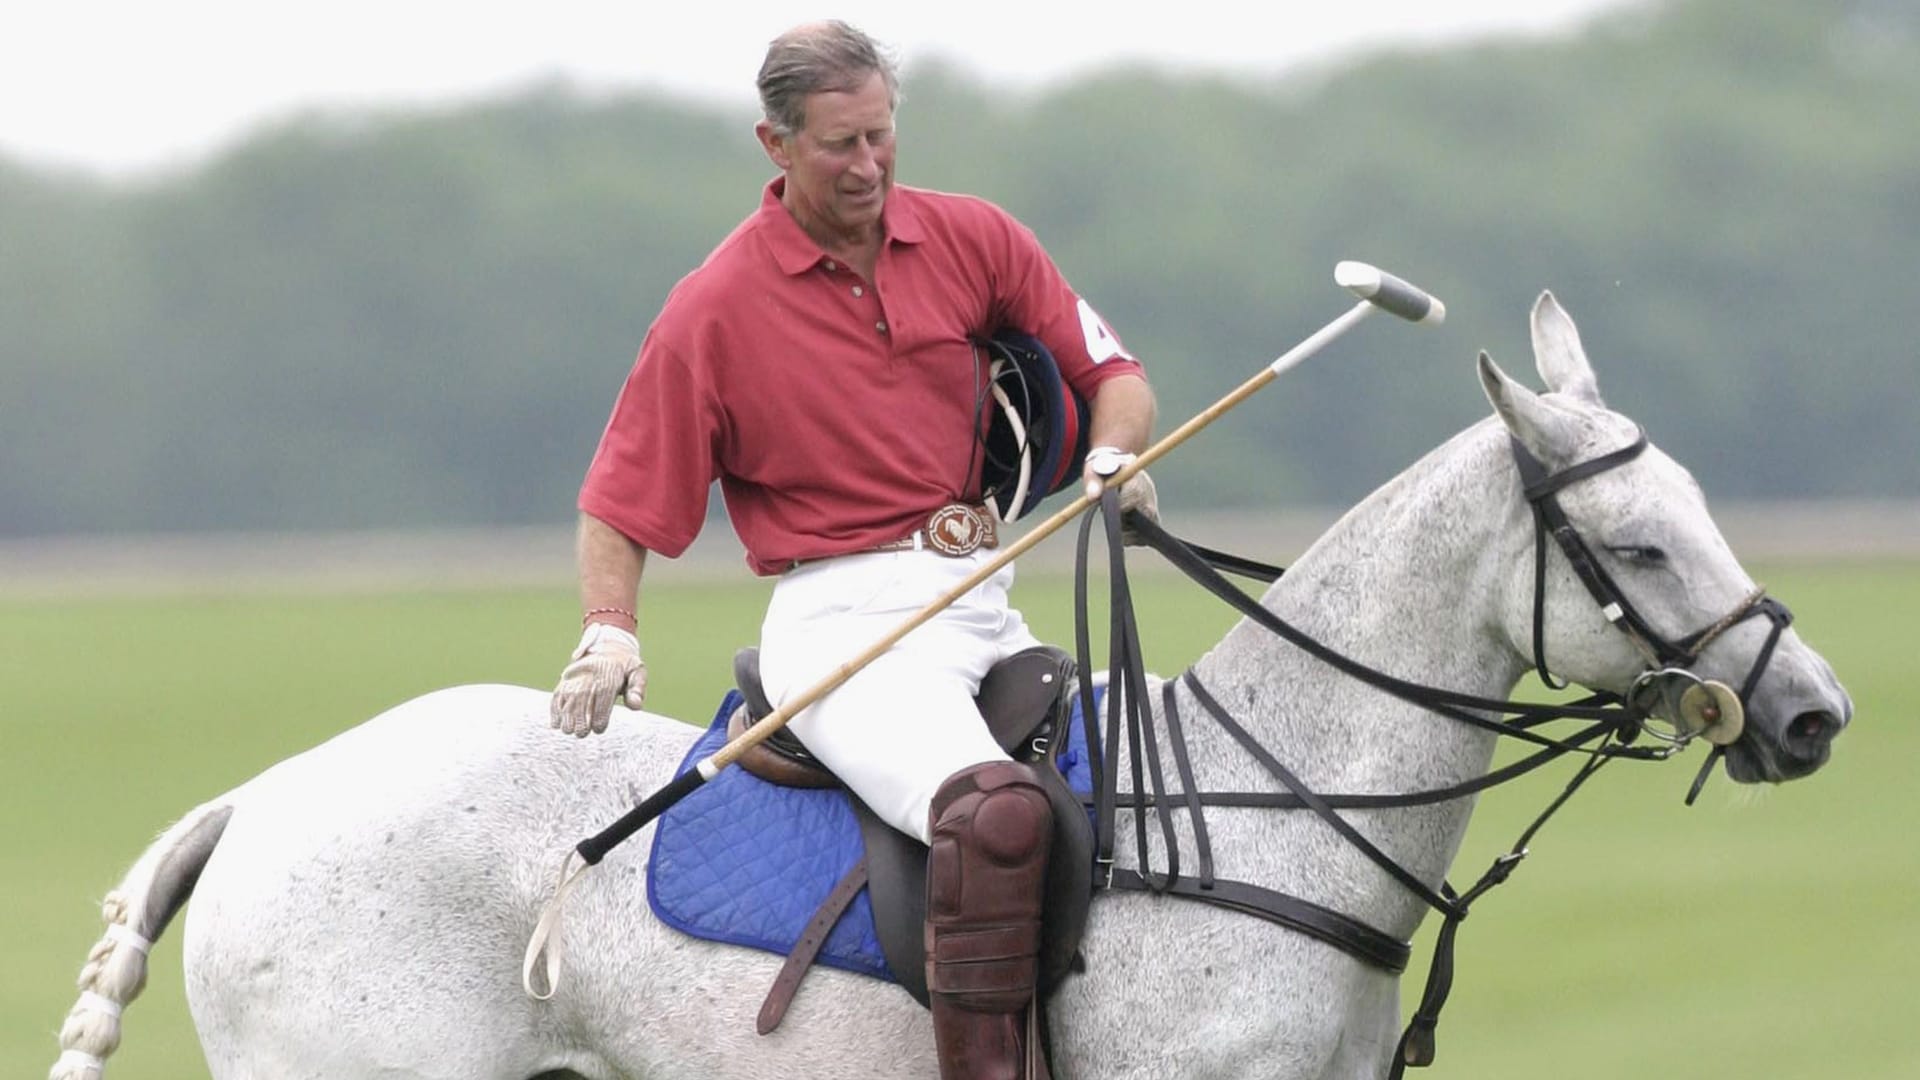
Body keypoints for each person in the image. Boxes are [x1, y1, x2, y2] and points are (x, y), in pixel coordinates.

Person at [548, 20, 1156, 1080]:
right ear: (774, 146)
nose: (869, 164)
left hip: (979, 604)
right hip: (843, 635)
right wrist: (609, 632)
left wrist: (1110, 458)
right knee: (994, 815)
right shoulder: (714, 309)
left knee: (1149, 789)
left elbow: (1114, 375)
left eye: (881, 136)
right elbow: (621, 498)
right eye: (840, 144)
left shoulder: (974, 239)